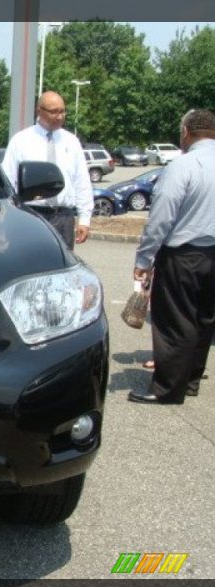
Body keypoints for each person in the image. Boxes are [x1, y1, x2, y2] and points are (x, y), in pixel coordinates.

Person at [128, 108, 215, 405]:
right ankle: (190, 380)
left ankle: (167, 388)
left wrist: (144, 260)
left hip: (184, 255)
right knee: (205, 320)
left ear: (187, 133)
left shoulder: (183, 166)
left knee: (175, 322)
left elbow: (161, 218)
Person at [2, 91, 94, 249]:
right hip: (31, 215)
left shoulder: (71, 142)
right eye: (54, 112)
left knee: (62, 268)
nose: (59, 116)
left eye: (62, 111)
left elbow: (81, 181)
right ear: (39, 111)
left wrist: (85, 220)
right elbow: (7, 179)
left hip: (63, 218)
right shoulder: (21, 141)